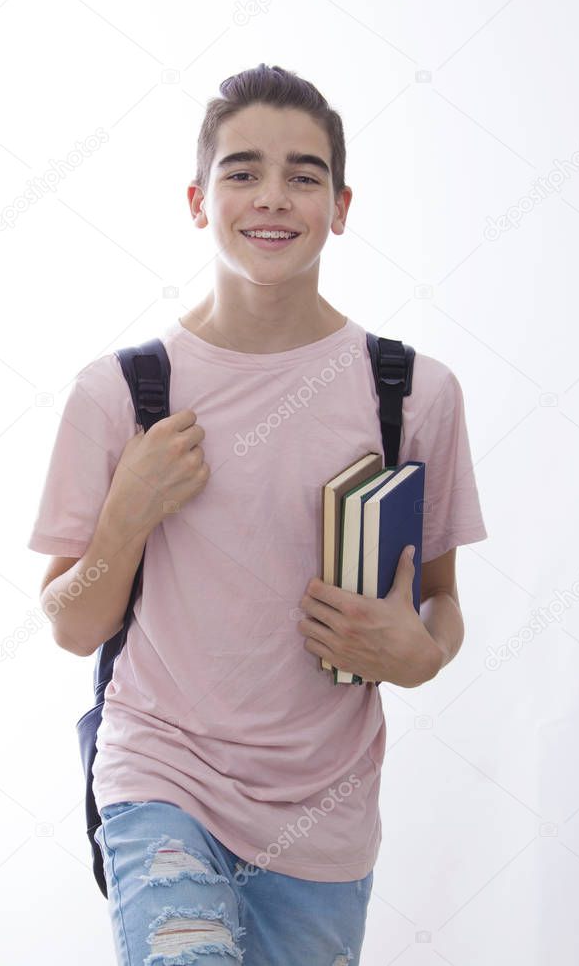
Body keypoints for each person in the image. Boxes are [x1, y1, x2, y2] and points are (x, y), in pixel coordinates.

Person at [28, 63, 488, 965]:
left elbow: (443, 600)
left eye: (303, 174)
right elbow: (72, 624)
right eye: (242, 171)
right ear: (199, 200)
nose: (271, 197)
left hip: (325, 815)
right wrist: (127, 514)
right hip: (160, 777)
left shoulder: (411, 393)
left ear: (342, 205)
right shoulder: (121, 393)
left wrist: (422, 653)